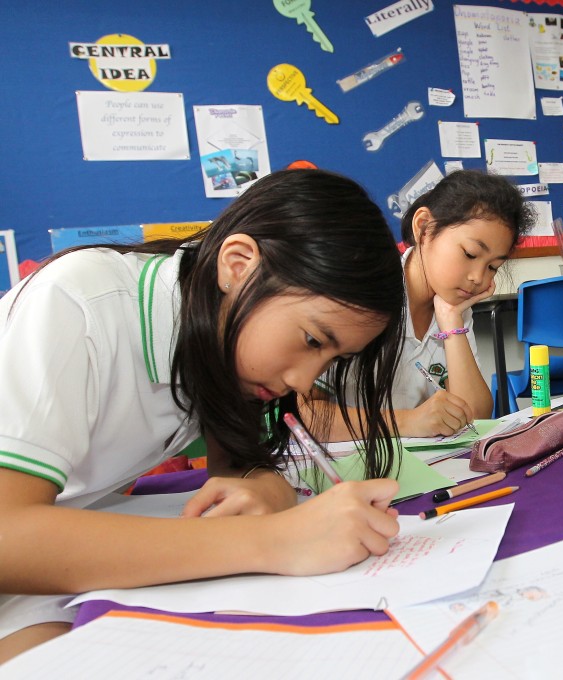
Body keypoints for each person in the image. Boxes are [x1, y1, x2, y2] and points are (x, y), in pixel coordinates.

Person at [0, 169, 407, 661]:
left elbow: (237, 462)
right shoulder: (78, 304)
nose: (305, 381)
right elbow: (8, 537)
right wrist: (271, 541)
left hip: (56, 551)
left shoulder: (221, 340)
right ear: (238, 265)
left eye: (332, 360)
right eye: (313, 340)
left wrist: (264, 487)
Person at [306, 170, 532, 439]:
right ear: (424, 227)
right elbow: (305, 414)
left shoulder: (452, 305)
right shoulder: (363, 290)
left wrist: (450, 320)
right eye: (470, 254)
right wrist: (408, 422)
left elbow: (474, 416)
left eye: (493, 267)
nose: (478, 278)